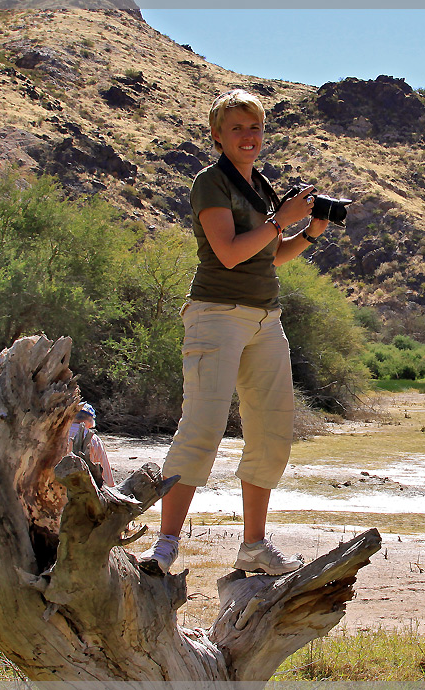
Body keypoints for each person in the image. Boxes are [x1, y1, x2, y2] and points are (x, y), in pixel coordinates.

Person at [139, 89, 328, 575]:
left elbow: (271, 255)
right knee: (202, 427)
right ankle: (165, 542)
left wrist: (306, 233)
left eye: (256, 127)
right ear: (217, 135)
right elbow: (227, 252)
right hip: (216, 313)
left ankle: (254, 545)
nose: (249, 136)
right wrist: (280, 221)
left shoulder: (261, 187)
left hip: (266, 318)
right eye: (238, 128)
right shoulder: (210, 182)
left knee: (270, 431)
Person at [69, 402, 115, 487]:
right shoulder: (94, 439)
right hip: (85, 489)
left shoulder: (58, 434)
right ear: (90, 421)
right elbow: (104, 469)